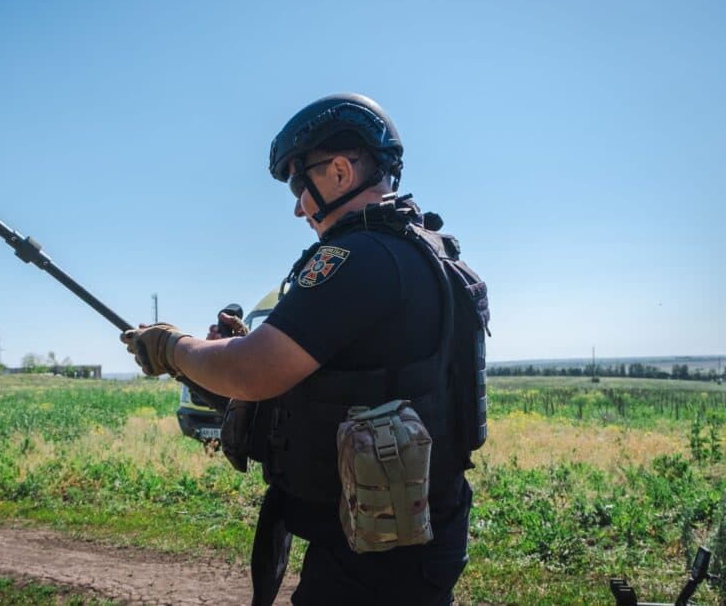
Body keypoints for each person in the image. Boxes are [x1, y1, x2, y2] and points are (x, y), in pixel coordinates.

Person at [121, 93, 487, 605]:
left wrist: (172, 347)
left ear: (339, 171)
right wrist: (229, 355)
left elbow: (255, 372)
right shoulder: (418, 253)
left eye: (299, 182)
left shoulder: (358, 257)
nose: (298, 205)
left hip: (378, 561)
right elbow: (354, 377)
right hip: (407, 531)